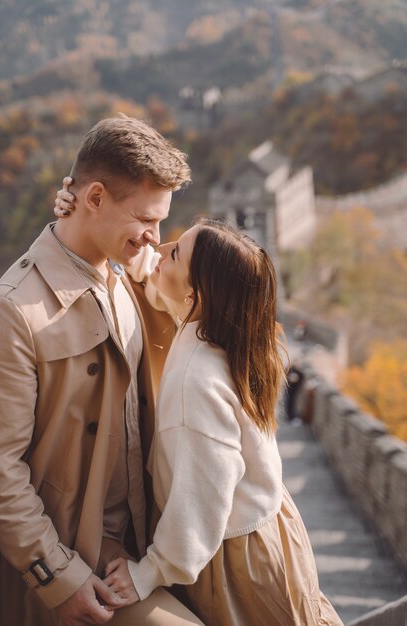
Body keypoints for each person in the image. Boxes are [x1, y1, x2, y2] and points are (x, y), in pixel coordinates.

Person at [55, 200, 344, 625]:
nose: (162, 246)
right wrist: (77, 211)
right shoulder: (214, 328)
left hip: (237, 557)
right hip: (264, 530)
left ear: (196, 293)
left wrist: (148, 571)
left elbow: (201, 502)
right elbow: (164, 280)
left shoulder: (198, 383)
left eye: (175, 252)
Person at [0, 115, 206, 626]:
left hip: (140, 555)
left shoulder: (122, 271)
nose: (155, 238)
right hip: (77, 566)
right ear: (94, 199)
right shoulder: (12, 310)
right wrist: (56, 578)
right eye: (146, 219)